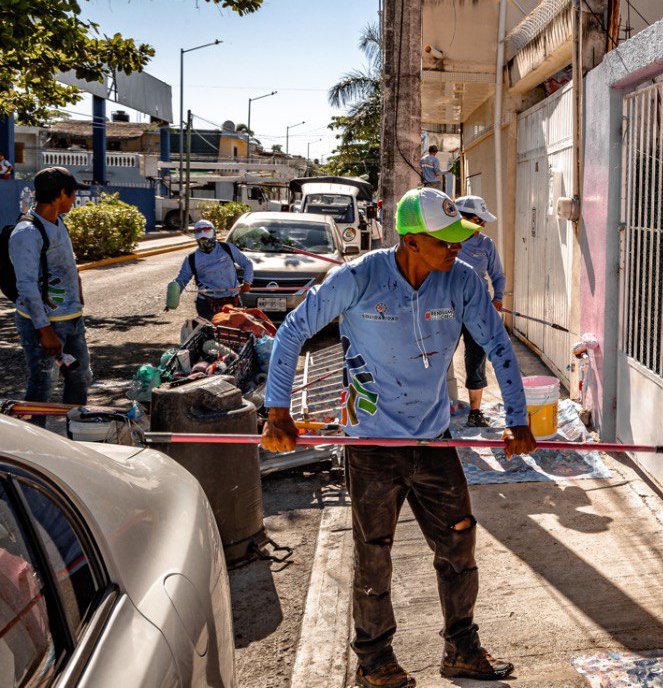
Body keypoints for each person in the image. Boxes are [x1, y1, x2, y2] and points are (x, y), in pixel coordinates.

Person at [260, 187, 535, 687]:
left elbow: (496, 342)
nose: (457, 247)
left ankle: (462, 650)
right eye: (445, 239)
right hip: (369, 445)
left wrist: (518, 419)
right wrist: (277, 410)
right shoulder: (359, 277)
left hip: (433, 440)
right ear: (411, 240)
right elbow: (292, 332)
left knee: (459, 547)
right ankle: (374, 660)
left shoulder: (462, 282)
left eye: (458, 239)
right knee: (374, 553)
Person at [10, 167, 91, 428]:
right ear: (60, 195)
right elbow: (26, 285)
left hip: (71, 319)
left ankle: (76, 435)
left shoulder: (58, 221)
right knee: (42, 385)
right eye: (72, 195)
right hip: (44, 324)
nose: (74, 200)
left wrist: (77, 292)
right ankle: (34, 450)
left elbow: (65, 262)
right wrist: (44, 330)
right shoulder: (26, 233)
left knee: (79, 377)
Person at [453, 195, 505, 428]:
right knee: (437, 358)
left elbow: (498, 275)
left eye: (484, 222)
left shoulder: (486, 245)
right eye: (478, 220)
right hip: (448, 310)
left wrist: (498, 298)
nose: (482, 226)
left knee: (476, 359)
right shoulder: (445, 242)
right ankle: (433, 407)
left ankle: (475, 412)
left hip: (478, 310)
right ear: (460, 218)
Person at [167, 220, 254, 321]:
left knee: (237, 332)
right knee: (211, 334)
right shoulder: (192, 258)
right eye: (199, 232)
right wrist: (172, 299)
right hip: (207, 304)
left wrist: (247, 282)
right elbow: (182, 280)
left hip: (232, 300)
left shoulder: (227, 248)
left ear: (213, 234)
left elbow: (247, 264)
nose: (204, 238)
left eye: (207, 231)